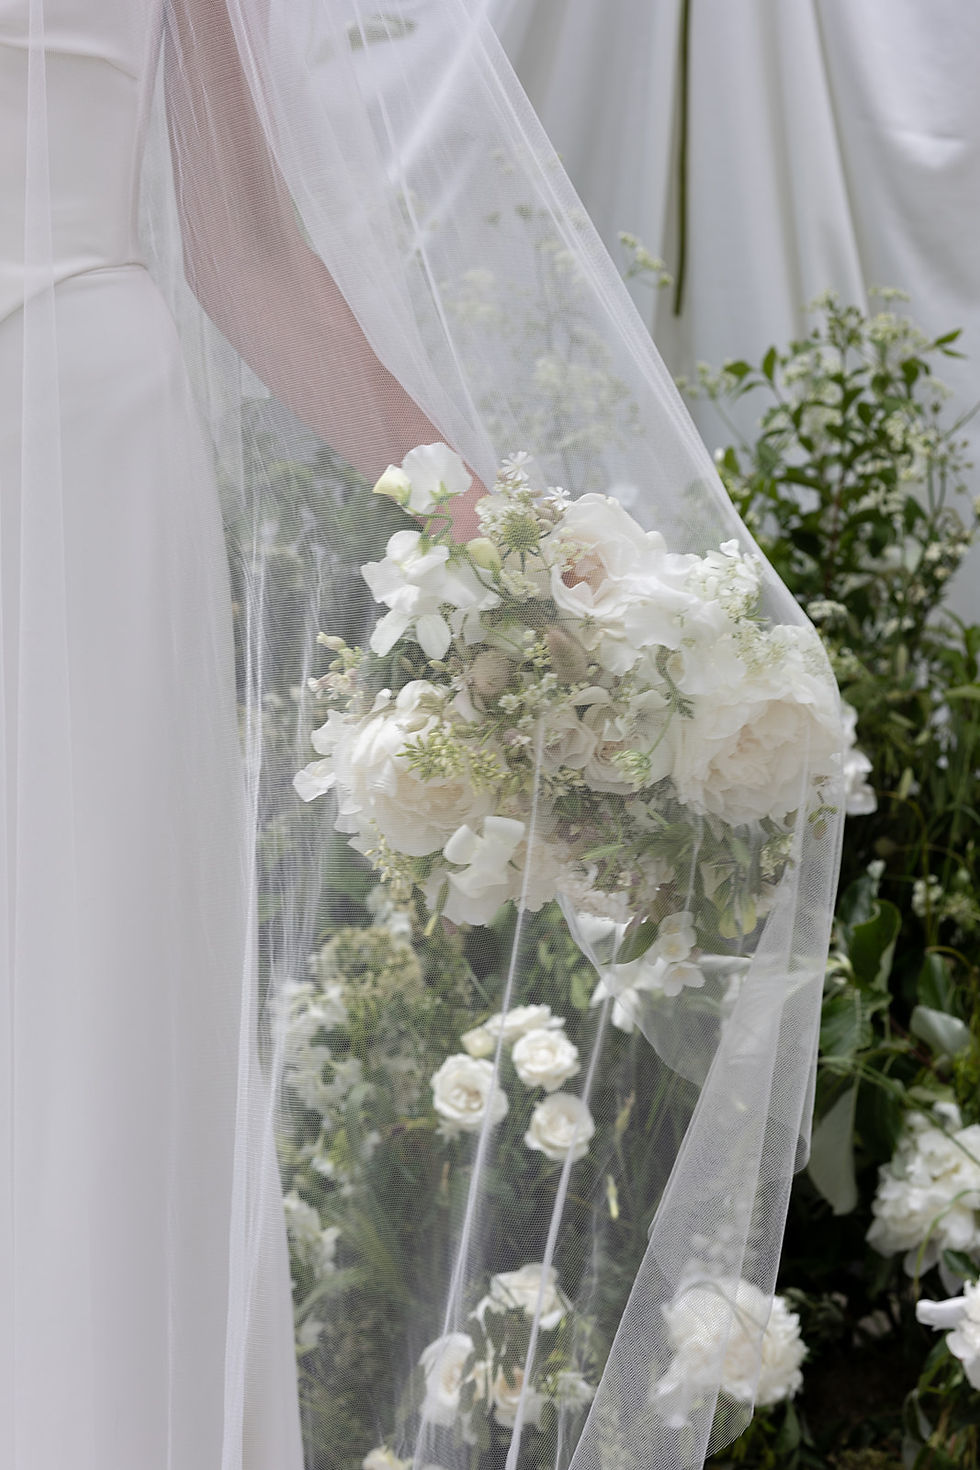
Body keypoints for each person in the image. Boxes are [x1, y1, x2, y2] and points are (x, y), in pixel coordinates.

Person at [1, 2, 843, 1467]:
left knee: (90, 1017)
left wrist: (508, 559)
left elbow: (249, 249)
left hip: (76, 434)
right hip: (79, 394)